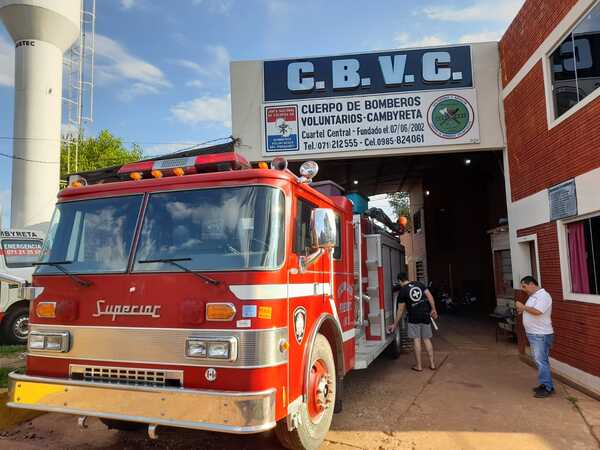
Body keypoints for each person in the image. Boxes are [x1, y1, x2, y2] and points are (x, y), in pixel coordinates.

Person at [388, 272, 438, 371]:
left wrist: (395, 324)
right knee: (427, 339)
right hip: (425, 315)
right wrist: (433, 309)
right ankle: (432, 364)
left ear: (400, 281)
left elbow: (400, 310)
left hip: (414, 317)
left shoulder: (402, 291)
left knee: (416, 340)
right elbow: (430, 297)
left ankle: (419, 366)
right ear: (407, 278)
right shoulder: (419, 284)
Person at [516, 276, 555, 398]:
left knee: (541, 361)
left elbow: (538, 311)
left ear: (532, 284)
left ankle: (547, 387)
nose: (523, 289)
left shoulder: (544, 296)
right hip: (534, 333)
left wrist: (524, 307)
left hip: (541, 334)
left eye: (524, 286)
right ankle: (546, 384)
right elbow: (531, 310)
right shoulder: (533, 297)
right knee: (541, 360)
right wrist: (523, 310)